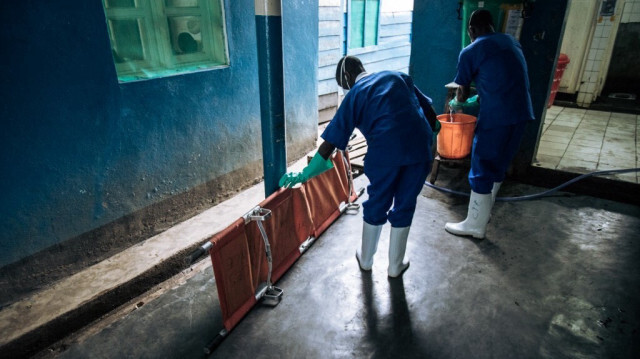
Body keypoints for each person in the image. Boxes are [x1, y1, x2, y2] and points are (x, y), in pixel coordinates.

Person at [279, 56, 439, 278]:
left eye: (342, 85)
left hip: (385, 150)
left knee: (378, 200)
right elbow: (430, 114)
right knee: (406, 202)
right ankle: (395, 265)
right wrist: (431, 138)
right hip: (420, 148)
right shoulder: (398, 76)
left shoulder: (355, 93)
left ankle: (366, 259)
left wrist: (305, 174)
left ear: (346, 77)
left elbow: (330, 144)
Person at [445, 9, 534, 239]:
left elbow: (461, 94)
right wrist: (480, 97)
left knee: (482, 167)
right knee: (498, 165)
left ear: (472, 30)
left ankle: (475, 225)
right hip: (522, 113)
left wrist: (457, 102)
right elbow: (502, 79)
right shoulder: (511, 42)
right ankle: (485, 214)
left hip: (497, 117)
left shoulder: (471, 50)